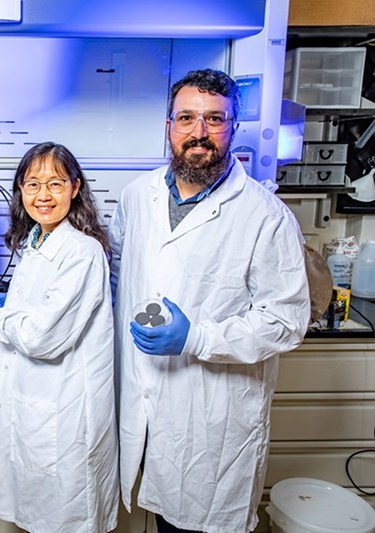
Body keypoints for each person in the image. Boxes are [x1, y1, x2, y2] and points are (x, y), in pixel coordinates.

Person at [108, 69, 310, 533]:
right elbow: (118, 274)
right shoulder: (137, 197)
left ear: (232, 127)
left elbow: (285, 320)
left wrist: (196, 336)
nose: (199, 133)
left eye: (214, 119)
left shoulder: (265, 216)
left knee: (198, 522)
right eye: (187, 118)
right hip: (145, 404)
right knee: (161, 518)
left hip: (213, 422)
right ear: (168, 126)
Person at [0, 142, 119, 532]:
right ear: (20, 190)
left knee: (65, 518)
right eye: (32, 185)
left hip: (63, 415)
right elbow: (44, 302)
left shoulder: (82, 251)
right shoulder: (37, 241)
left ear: (75, 188)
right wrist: (5, 298)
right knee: (39, 517)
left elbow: (41, 336)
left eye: (55, 184)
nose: (42, 196)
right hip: (37, 411)